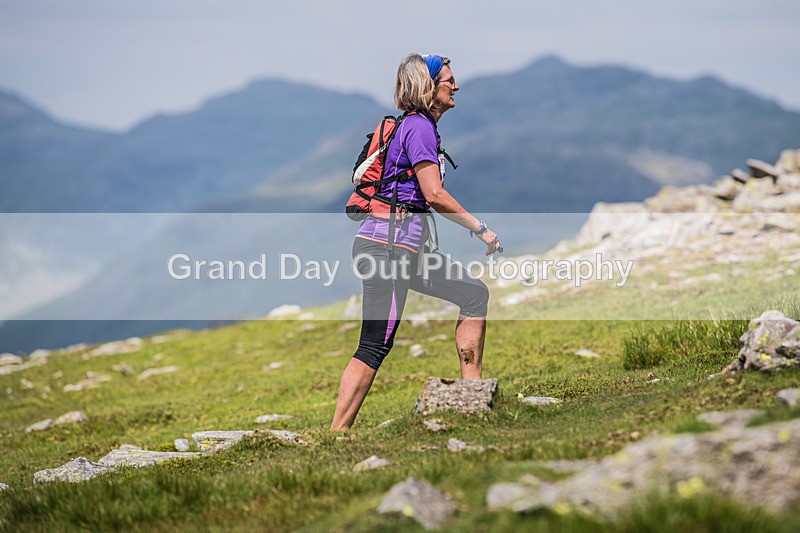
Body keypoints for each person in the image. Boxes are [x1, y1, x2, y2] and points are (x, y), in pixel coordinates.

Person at [330, 53, 501, 431]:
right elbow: (434, 194)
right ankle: (337, 435)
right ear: (429, 86)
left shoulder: (414, 126)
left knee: (474, 295)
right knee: (374, 344)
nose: (456, 86)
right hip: (388, 250)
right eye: (449, 81)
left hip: (397, 249)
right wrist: (480, 228)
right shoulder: (419, 128)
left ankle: (473, 397)